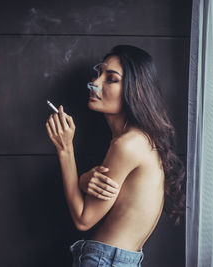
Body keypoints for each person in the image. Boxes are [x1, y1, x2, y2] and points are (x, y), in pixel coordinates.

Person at [45, 45, 185, 267]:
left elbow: (83, 219)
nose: (95, 83)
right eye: (98, 73)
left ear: (134, 88)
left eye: (111, 79)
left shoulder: (126, 145)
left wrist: (65, 149)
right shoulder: (141, 139)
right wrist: (83, 181)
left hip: (105, 260)